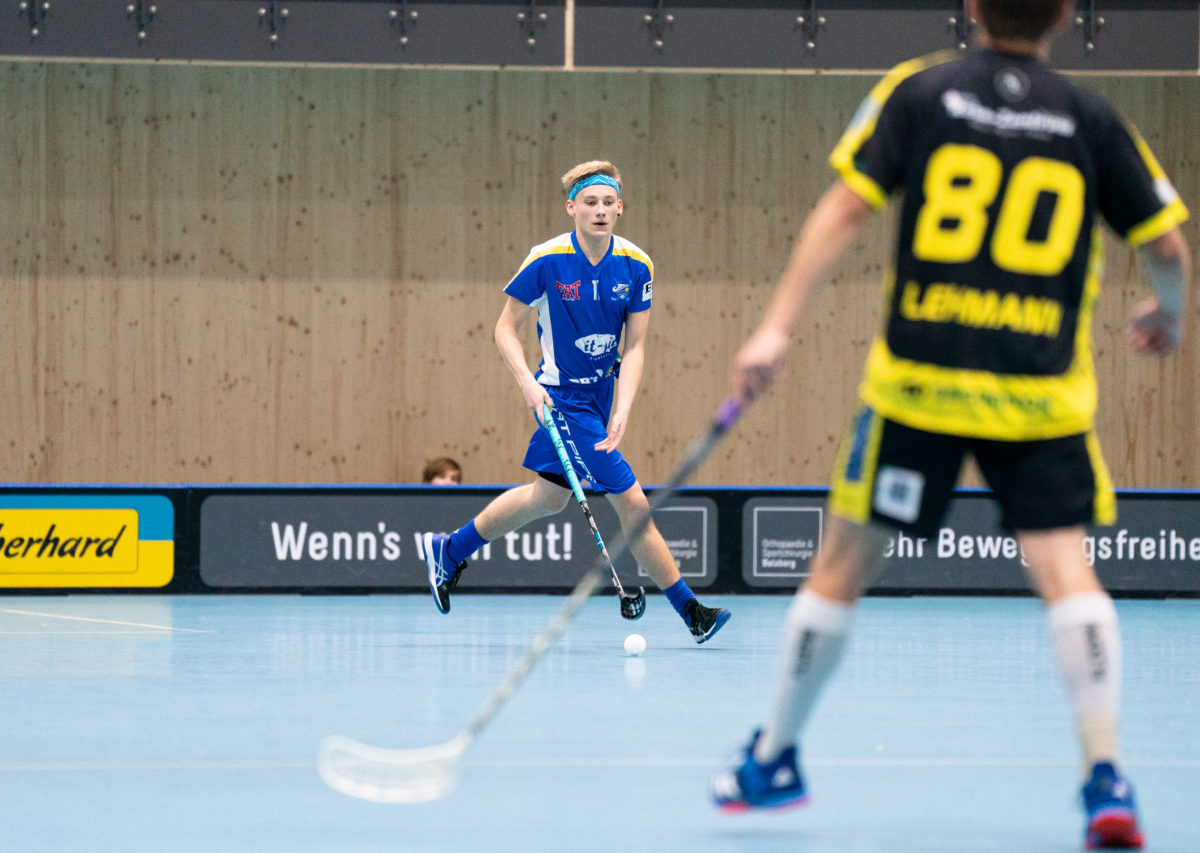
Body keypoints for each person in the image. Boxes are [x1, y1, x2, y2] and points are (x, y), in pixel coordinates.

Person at [709, 1, 1190, 848]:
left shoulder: (921, 92)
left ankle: (775, 757)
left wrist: (777, 325)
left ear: (972, 6)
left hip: (917, 389)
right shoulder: (1092, 116)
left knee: (838, 571)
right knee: (1067, 573)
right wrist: (1173, 316)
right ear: (1067, 14)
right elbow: (1167, 246)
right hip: (1039, 395)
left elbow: (844, 210)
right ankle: (1105, 776)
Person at [421, 160, 731, 643]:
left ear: (620, 208)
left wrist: (624, 405)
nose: (601, 211)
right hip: (559, 397)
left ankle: (450, 550)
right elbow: (504, 328)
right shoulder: (546, 259)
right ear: (572, 208)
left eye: (609, 203)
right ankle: (690, 610)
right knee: (631, 500)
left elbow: (636, 346)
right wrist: (527, 380)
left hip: (601, 395)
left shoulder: (637, 265)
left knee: (547, 499)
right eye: (590, 203)